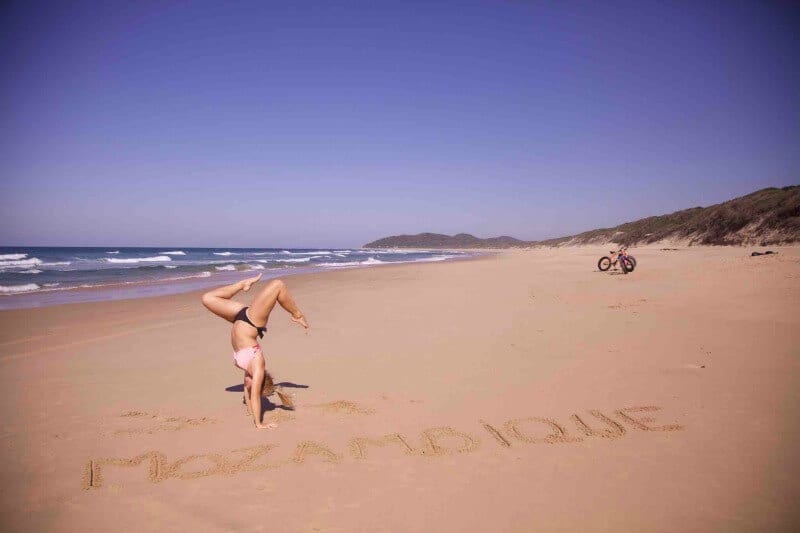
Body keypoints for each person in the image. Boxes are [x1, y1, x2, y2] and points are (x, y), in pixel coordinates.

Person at [201, 274, 309, 429]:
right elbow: (254, 396)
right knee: (278, 285)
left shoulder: (248, 372)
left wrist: (249, 409)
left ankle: (241, 284)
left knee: (207, 298)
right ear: (259, 382)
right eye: (253, 386)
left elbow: (249, 393)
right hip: (253, 320)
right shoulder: (257, 367)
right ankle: (297, 315)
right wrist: (259, 423)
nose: (247, 384)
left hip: (239, 317)